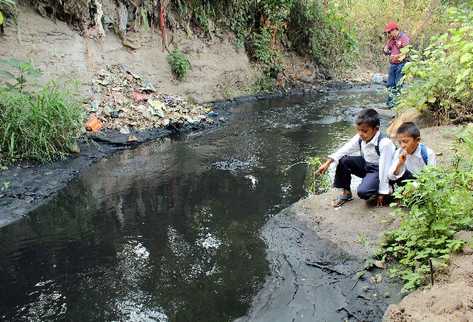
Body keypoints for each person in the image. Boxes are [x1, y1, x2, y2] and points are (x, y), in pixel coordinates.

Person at [318, 108, 396, 207]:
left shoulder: (385, 143)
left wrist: (382, 192)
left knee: (363, 192)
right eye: (358, 130)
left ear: (376, 129)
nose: (360, 134)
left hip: (379, 170)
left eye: (364, 131)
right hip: (367, 165)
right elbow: (345, 149)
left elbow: (385, 169)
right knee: (344, 160)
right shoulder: (360, 137)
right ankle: (346, 193)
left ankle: (388, 189)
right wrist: (328, 162)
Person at [388, 122, 436, 186]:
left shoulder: (428, 154)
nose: (402, 145)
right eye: (400, 142)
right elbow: (391, 176)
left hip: (422, 185)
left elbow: (431, 177)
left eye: (405, 141)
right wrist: (400, 163)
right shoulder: (399, 152)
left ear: (417, 140)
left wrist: (413, 187)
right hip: (406, 181)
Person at [383, 21, 410, 108]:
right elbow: (387, 51)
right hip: (393, 65)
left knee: (398, 85)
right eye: (387, 32)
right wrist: (385, 49)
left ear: (395, 30)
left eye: (389, 32)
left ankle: (397, 105)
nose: (388, 34)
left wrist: (396, 56)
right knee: (390, 84)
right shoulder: (391, 39)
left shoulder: (404, 38)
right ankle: (390, 104)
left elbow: (406, 52)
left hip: (401, 64)